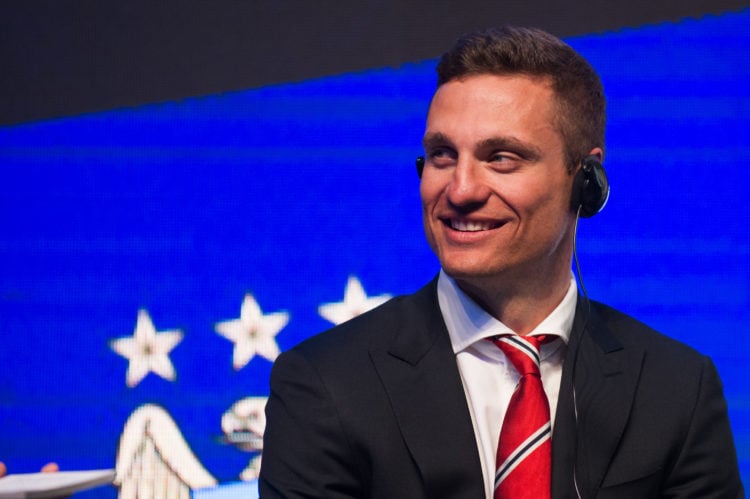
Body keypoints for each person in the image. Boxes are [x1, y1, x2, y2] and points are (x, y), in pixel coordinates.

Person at [258, 26, 743, 498]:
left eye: (502, 158)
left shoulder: (676, 386)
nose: (460, 190)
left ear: (586, 179)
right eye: (442, 154)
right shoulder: (326, 382)